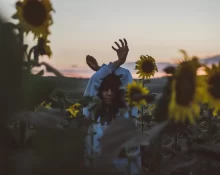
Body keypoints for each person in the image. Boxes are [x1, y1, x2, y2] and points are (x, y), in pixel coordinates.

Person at [83, 39, 141, 174]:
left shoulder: (127, 115)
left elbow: (126, 77)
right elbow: (94, 82)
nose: (109, 93)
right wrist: (107, 68)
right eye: (105, 89)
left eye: (113, 89)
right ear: (99, 91)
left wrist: (111, 66)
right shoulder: (92, 115)